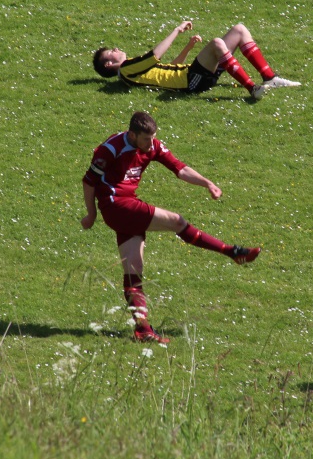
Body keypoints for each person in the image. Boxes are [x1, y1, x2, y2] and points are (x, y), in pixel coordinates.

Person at [81, 111, 261, 344]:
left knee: (134, 271)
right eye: (146, 139)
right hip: (116, 205)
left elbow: (180, 168)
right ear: (132, 135)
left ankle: (143, 330)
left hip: (127, 208)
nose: (151, 143)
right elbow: (89, 181)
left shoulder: (152, 145)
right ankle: (232, 252)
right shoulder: (111, 149)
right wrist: (91, 214)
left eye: (153, 137)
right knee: (176, 221)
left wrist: (208, 183)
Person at [92, 21, 300, 99]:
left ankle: (270, 78)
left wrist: (188, 47)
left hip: (192, 74)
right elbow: (155, 56)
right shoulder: (126, 70)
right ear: (109, 64)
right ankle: (252, 89)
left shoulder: (133, 70)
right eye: (111, 52)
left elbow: (169, 67)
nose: (116, 49)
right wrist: (176, 30)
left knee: (239, 30)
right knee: (217, 43)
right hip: (191, 82)